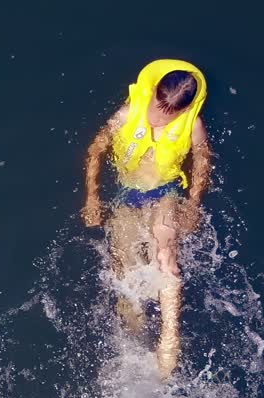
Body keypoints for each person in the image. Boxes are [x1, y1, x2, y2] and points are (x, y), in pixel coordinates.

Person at [81, 59, 212, 379]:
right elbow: (95, 151)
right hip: (128, 196)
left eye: (170, 115)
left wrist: (194, 204)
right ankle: (132, 335)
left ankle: (170, 338)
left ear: (183, 111)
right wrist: (92, 198)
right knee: (123, 267)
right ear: (153, 92)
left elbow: (202, 163)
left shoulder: (193, 126)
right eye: (157, 107)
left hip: (167, 193)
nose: (158, 117)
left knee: (165, 253)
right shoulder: (127, 114)